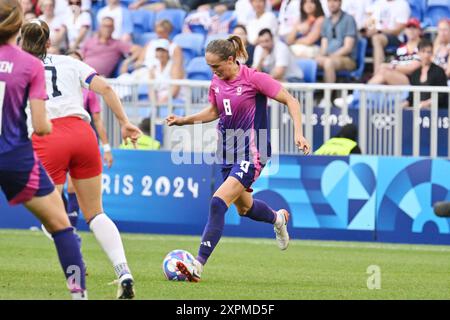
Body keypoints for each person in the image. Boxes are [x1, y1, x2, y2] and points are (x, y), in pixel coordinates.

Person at [166, 35, 311, 282]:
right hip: (226, 151)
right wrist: (185, 120)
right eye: (210, 67)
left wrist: (299, 133)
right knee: (244, 208)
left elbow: (291, 100)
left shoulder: (254, 79)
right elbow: (214, 110)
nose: (213, 72)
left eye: (216, 66)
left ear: (231, 59)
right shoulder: (216, 81)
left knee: (217, 202)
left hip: (252, 152)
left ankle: (197, 265)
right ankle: (278, 218)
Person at [20, 18, 142, 299]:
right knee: (96, 213)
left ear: (21, 43)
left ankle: (75, 265)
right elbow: (107, 89)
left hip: (46, 137)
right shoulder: (69, 62)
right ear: (50, 42)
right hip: (82, 133)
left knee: (51, 219)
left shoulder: (16, 70)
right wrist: (124, 122)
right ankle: (123, 271)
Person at [0, 0, 86, 299]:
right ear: (17, 27)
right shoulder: (30, 65)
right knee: (62, 226)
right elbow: (41, 125)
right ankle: (78, 293)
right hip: (15, 157)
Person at [64, 49, 114, 229]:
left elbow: (98, 121)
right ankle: (62, 223)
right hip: (57, 138)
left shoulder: (88, 91)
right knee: (52, 186)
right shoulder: (54, 87)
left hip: (80, 140)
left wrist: (107, 148)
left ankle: (70, 227)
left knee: (72, 187)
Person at [368, 18, 421, 85]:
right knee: (383, 72)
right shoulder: (401, 48)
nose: (411, 30)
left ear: (419, 30)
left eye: (414, 28)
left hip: (414, 79)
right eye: (408, 28)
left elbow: (411, 69)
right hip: (398, 76)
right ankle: (363, 92)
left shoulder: (422, 46)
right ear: (405, 30)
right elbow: (395, 63)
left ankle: (361, 93)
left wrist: (390, 66)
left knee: (384, 72)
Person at [315, 0, 357, 84]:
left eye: (335, 1)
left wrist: (330, 56)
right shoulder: (326, 21)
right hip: (328, 57)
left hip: (347, 59)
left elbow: (347, 48)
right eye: (329, 1)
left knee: (328, 63)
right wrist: (320, 56)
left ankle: (328, 95)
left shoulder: (349, 19)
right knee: (309, 62)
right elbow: (324, 45)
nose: (332, 4)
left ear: (340, 2)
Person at [362, 0, 410, 73]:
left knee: (376, 38)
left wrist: (378, 30)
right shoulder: (378, 3)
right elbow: (371, 21)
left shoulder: (402, 4)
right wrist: (368, 29)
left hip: (396, 38)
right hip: (377, 33)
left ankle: (377, 73)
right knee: (358, 35)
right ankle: (356, 74)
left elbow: (397, 31)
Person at [403, 38, 448, 109]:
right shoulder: (415, 74)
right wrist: (402, 105)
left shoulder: (439, 71)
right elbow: (411, 96)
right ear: (418, 53)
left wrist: (427, 103)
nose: (426, 55)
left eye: (429, 52)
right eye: (423, 51)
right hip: (417, 111)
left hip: (437, 112)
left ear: (432, 53)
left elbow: (443, 95)